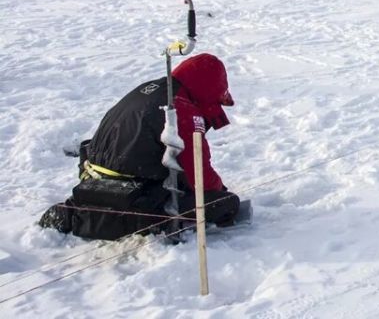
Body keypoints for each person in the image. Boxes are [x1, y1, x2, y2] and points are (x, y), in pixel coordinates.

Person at [39, 53, 240, 240]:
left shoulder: (154, 88)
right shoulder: (181, 108)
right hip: (133, 184)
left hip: (93, 168)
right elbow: (198, 172)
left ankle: (87, 205)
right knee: (223, 203)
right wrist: (219, 191)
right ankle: (79, 217)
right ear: (209, 87)